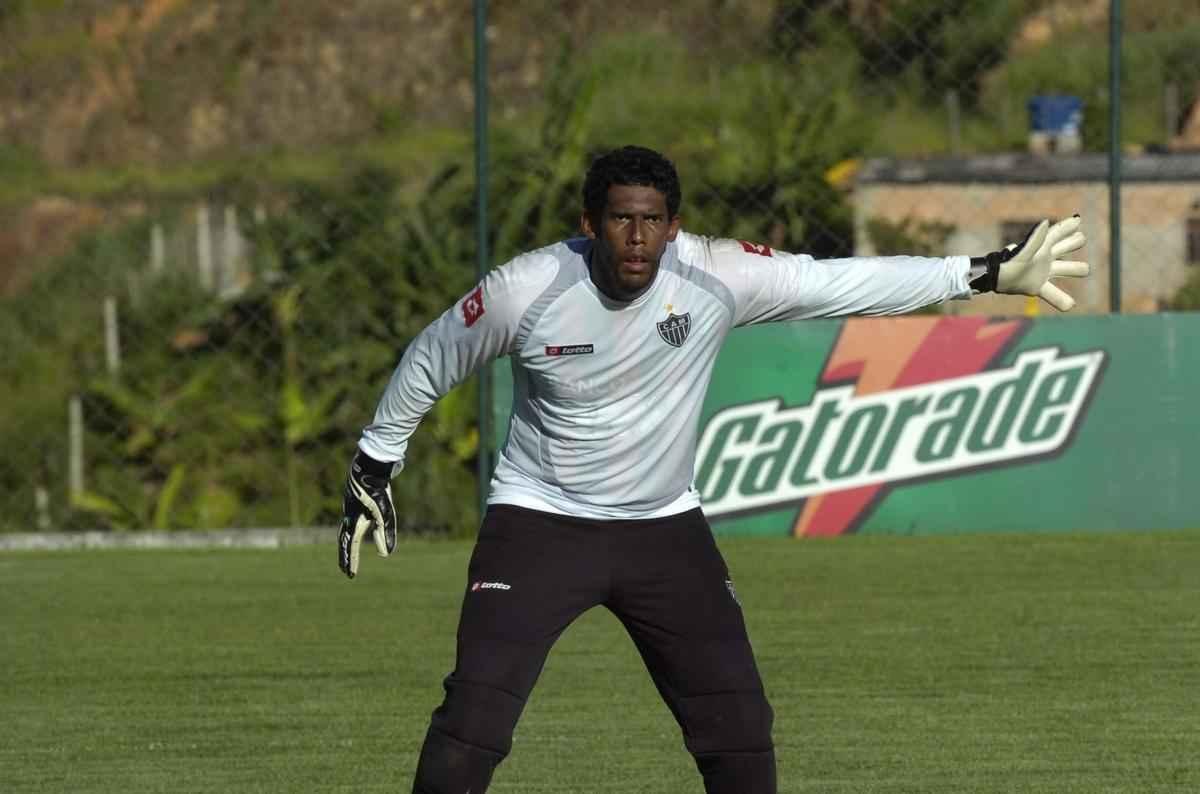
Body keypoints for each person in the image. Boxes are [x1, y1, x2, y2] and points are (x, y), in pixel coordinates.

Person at [336, 145, 1089, 793]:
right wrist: (375, 462)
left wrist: (982, 274)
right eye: (622, 218)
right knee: (474, 722)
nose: (638, 238)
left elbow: (840, 283)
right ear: (588, 223)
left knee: (739, 732)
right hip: (539, 524)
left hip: (664, 533)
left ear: (674, 224)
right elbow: (433, 357)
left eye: (654, 219)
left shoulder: (715, 274)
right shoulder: (523, 291)